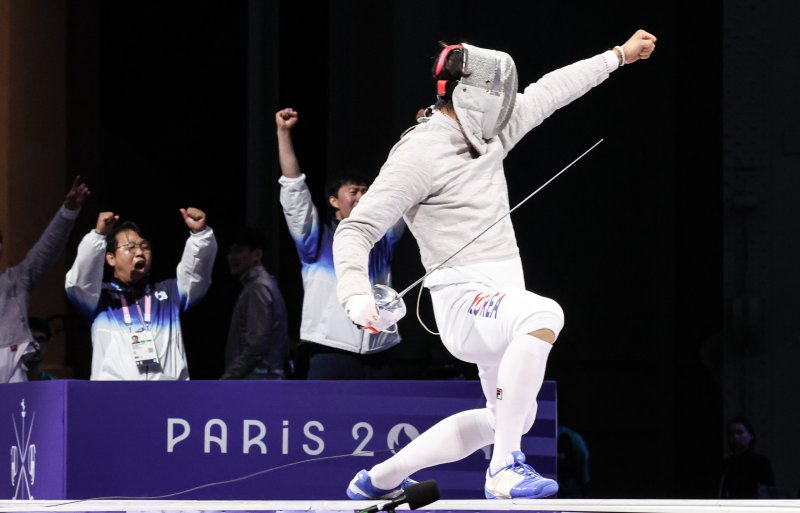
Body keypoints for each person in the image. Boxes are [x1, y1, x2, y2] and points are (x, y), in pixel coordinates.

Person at [333, 31, 657, 500]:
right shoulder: (420, 152)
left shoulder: (493, 131)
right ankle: (504, 468)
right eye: (500, 100)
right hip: (463, 300)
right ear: (468, 95)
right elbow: (356, 229)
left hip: (501, 296)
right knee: (543, 314)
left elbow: (551, 90)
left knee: (510, 416)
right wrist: (356, 296)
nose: (508, 110)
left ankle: (377, 479)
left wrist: (618, 57)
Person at [275, 107, 405, 379]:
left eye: (366, 192)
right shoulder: (316, 242)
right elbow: (294, 193)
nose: (361, 197)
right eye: (353, 192)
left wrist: (420, 131)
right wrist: (283, 133)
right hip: (330, 352)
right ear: (334, 200)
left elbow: (402, 187)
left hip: (381, 353)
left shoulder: (383, 239)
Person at [65, 208, 217, 380]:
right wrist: (98, 236)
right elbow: (78, 281)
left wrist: (200, 236)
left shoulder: (169, 292)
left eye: (144, 247)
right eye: (130, 247)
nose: (139, 252)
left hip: (169, 397)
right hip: (116, 399)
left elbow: (196, 277)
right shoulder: (99, 298)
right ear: (111, 258)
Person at [0, 177, 90, 383]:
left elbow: (46, 251)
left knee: (16, 415)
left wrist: (68, 211)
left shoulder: (15, 281)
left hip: (11, 371)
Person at [221, 226, 290, 380]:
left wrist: (227, 379)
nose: (232, 257)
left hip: (258, 385)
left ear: (257, 254)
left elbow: (256, 345)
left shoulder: (258, 288)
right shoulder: (261, 285)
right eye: (230, 252)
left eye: (238, 251)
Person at [718, 416, 775, 499]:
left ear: (750, 436)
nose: (735, 437)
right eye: (731, 433)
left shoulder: (761, 462)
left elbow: (768, 493)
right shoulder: (726, 465)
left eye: (739, 433)